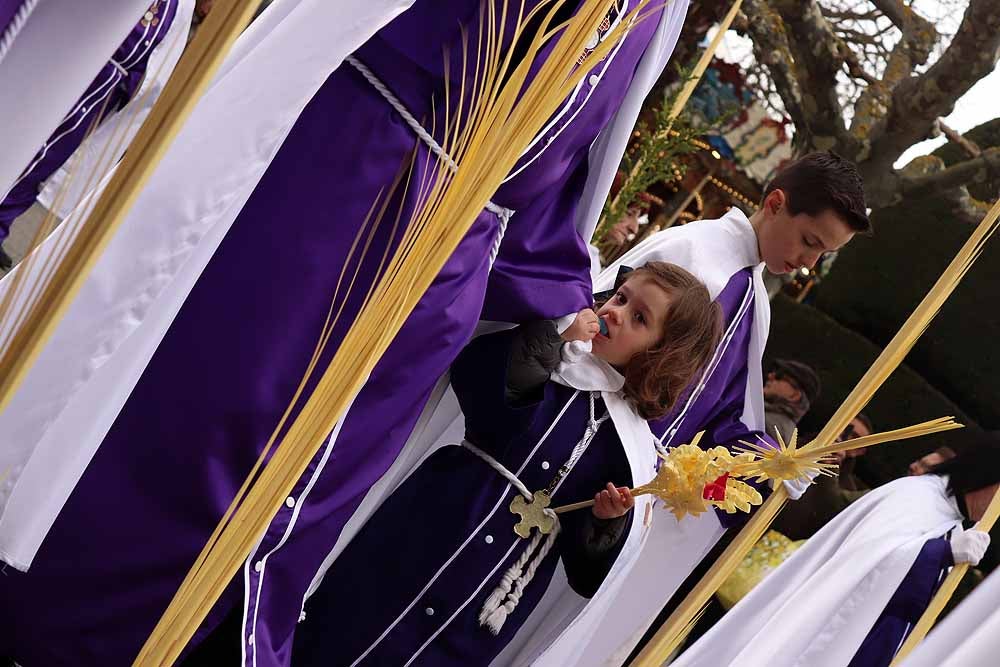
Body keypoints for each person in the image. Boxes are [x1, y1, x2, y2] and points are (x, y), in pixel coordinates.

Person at [0, 2, 693, 665]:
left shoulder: (660, 9)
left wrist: (544, 279)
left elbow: (564, 165)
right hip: (345, 170)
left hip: (442, 264)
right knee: (209, 430)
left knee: (293, 506)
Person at [290, 262, 723, 666]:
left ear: (663, 355)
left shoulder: (629, 447)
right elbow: (481, 387)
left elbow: (587, 573)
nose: (616, 311)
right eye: (621, 298)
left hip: (493, 590)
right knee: (348, 618)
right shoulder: (558, 359)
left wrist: (604, 525)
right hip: (432, 521)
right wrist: (550, 340)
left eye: (640, 318)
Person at [578, 150, 872, 662]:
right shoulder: (692, 250)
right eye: (809, 242)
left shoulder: (754, 296)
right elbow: (594, 331)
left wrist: (769, 460)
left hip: (626, 499)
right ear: (775, 203)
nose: (809, 263)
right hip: (587, 460)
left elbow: (720, 417)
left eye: (823, 254)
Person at [669, 443, 998, 667]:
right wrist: (940, 554)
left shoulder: (949, 520)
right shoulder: (916, 497)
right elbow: (867, 563)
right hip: (824, 633)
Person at [0, 0, 192, 270]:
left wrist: (130, 86)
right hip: (72, 63)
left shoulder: (180, 6)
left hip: (103, 93)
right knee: (19, 145)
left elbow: (159, 54)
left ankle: (1, 225)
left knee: (41, 168)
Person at [763, 358, 821, 445]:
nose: (770, 376)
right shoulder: (784, 428)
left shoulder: (769, 426)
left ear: (794, 396)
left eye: (779, 376)